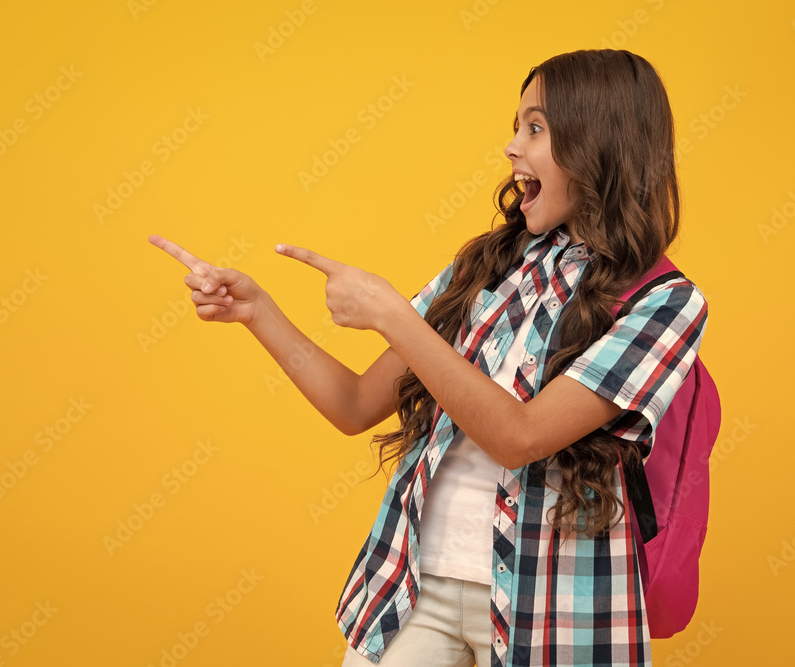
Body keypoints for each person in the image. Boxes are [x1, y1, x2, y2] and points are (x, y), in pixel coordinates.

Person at [150, 48, 708, 667]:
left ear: (598, 141)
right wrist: (257, 311)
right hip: (417, 589)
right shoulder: (484, 269)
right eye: (516, 125)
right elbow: (356, 404)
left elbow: (521, 437)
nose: (511, 147)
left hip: (558, 611)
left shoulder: (666, 303)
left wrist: (392, 313)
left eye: (535, 128)